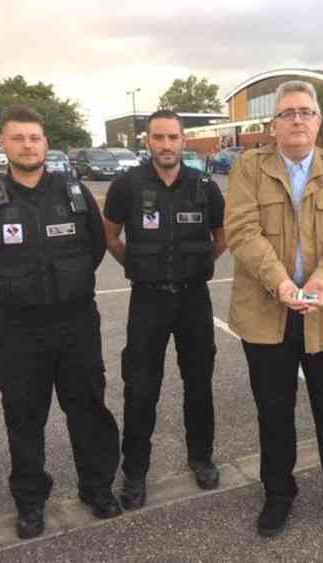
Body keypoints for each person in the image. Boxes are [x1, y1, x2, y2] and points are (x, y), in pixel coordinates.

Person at [225, 80, 323, 544]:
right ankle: (279, 494)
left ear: (319, 121)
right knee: (273, 411)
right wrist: (280, 282)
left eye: (306, 112)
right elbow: (241, 229)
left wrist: (319, 281)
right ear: (273, 124)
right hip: (265, 310)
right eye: (288, 113)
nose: (297, 119)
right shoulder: (249, 169)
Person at [0, 105, 121, 540]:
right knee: (24, 416)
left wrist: (66, 288)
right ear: (4, 144)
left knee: (87, 408)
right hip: (18, 330)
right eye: (18, 138)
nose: (27, 145)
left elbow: (94, 248)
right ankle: (30, 500)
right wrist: (17, 292)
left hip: (76, 323)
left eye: (34, 137)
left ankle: (97, 487)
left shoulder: (73, 192)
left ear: (45, 143)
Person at [103, 110, 227, 511]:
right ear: (147, 141)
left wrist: (199, 265)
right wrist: (137, 267)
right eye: (158, 137)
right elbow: (111, 235)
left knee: (199, 383)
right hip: (148, 300)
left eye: (173, 137)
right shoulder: (127, 186)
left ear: (184, 140)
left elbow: (221, 238)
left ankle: (201, 457)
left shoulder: (205, 187)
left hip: (193, 299)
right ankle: (135, 471)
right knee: (140, 388)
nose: (166, 144)